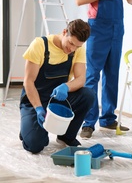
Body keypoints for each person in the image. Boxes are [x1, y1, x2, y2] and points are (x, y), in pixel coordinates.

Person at [76, 0, 132, 139]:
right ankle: (88, 122)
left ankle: (108, 119)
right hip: (97, 28)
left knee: (113, 74)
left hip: (116, 27)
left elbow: (131, 1)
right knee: (93, 76)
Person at [19, 19, 95, 154]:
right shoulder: (40, 45)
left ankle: (66, 136)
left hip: (57, 98)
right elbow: (28, 82)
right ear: (64, 32)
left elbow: (81, 79)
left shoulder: (78, 49)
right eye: (71, 43)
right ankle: (28, 128)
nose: (72, 49)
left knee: (88, 95)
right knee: (35, 145)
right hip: (34, 100)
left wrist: (66, 86)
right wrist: (38, 108)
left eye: (77, 47)